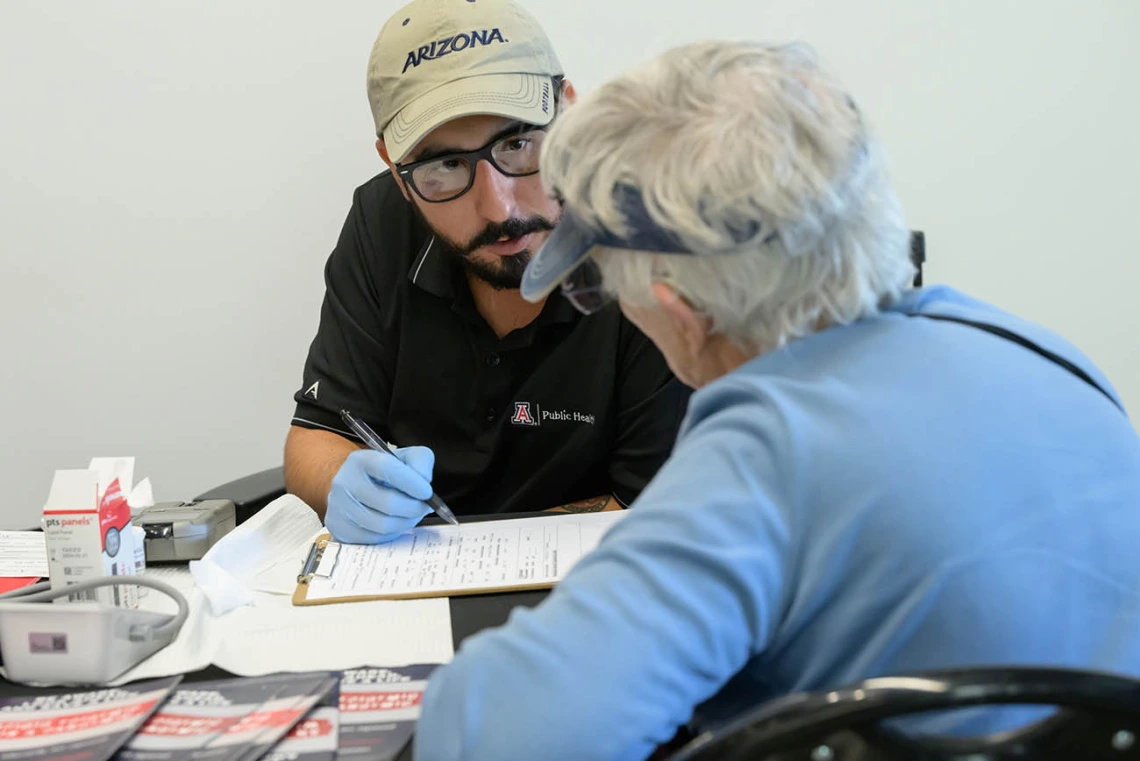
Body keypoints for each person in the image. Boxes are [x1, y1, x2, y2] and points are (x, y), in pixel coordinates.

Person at [410, 40, 1140, 761]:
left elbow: (488, 735)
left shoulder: (765, 455)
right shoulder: (1052, 361)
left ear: (681, 309)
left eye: (602, 285)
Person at [284, 0, 689, 544]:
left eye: (518, 143)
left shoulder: (648, 243)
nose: (498, 209)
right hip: (405, 594)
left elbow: (651, 506)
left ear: (568, 113)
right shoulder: (380, 224)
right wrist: (342, 480)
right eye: (444, 166)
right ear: (395, 170)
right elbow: (317, 435)